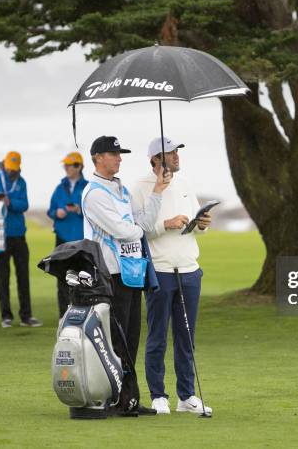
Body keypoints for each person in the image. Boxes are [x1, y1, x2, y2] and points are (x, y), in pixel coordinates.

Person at [81, 135, 171, 416]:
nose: (119, 158)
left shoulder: (120, 189)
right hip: (110, 274)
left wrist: (158, 190)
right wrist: (136, 226)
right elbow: (124, 230)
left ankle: (128, 399)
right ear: (97, 157)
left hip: (131, 271)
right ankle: (118, 398)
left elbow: (141, 222)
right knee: (116, 340)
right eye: (113, 153)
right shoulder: (94, 193)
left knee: (131, 338)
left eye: (120, 153)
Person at [131, 137, 213, 415]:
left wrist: (201, 224)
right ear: (155, 159)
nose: (177, 155)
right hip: (160, 271)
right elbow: (137, 228)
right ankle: (158, 395)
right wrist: (165, 223)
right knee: (157, 336)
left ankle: (187, 396)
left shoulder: (186, 184)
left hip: (189, 268)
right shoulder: (140, 188)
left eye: (178, 151)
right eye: (170, 152)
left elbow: (194, 225)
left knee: (186, 337)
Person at [0, 151, 42, 328]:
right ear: (4, 164)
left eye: (14, 169)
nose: (11, 172)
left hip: (19, 235)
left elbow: (24, 205)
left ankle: (26, 316)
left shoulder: (21, 182)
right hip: (0, 235)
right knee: (3, 277)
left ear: (18, 167)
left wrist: (9, 202)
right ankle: (6, 316)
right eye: (9, 168)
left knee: (23, 276)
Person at [47, 151, 88, 317]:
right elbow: (50, 210)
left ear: (78, 166)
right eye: (65, 165)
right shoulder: (60, 187)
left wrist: (79, 210)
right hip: (62, 239)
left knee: (82, 279)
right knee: (62, 279)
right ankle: (63, 316)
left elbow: (94, 212)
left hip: (81, 241)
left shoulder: (87, 187)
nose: (66, 168)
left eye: (69, 165)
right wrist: (58, 213)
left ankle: (82, 314)